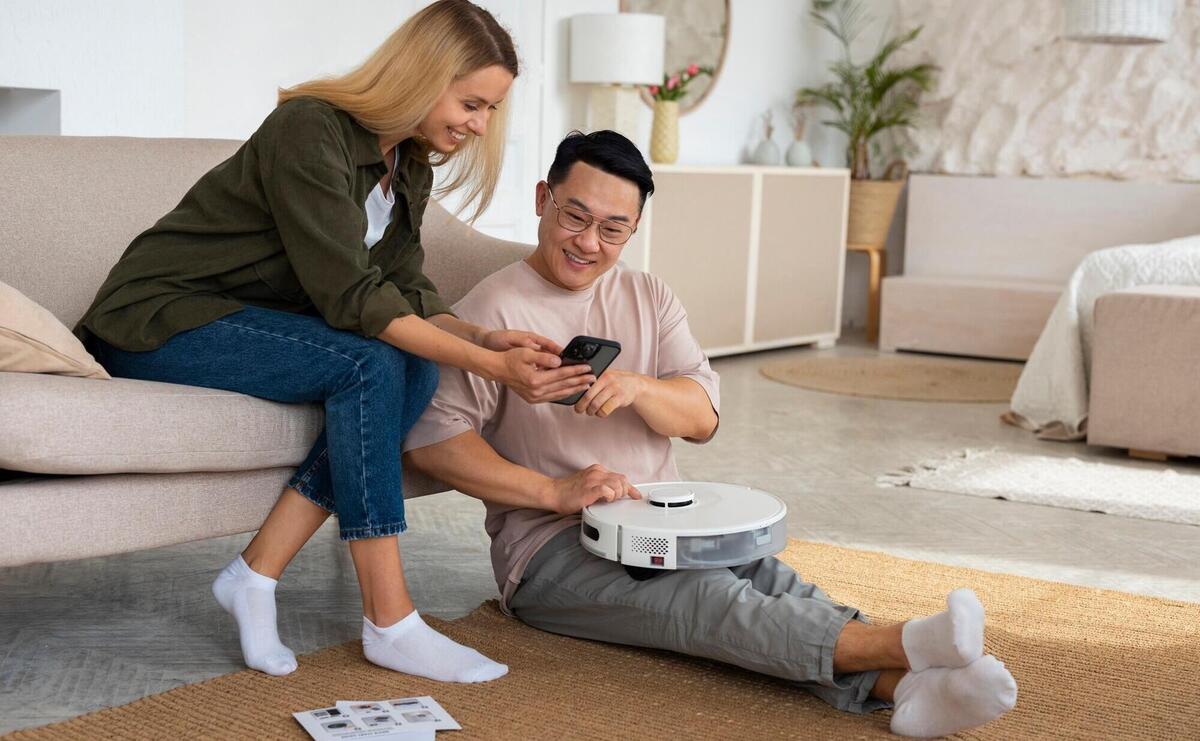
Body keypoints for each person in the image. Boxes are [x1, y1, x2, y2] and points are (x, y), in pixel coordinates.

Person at [402, 130, 1019, 737]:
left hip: (666, 523)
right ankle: (908, 645)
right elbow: (433, 442)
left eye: (613, 228)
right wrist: (553, 492)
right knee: (713, 604)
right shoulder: (490, 315)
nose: (589, 242)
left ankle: (906, 691)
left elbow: (702, 420)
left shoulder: (650, 294)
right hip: (552, 551)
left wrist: (640, 387)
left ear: (634, 230)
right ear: (544, 199)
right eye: (575, 216)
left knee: (772, 582)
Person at [75, 0, 595, 683]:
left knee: (409, 365)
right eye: (472, 103)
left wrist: (481, 335)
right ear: (421, 74)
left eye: (491, 110)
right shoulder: (309, 130)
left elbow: (403, 290)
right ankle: (390, 617)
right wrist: (490, 364)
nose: (479, 125)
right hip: (157, 318)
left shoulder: (408, 164)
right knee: (372, 359)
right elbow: (353, 299)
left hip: (240, 318)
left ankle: (255, 575)